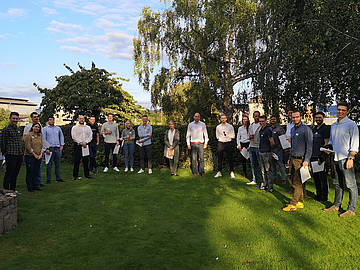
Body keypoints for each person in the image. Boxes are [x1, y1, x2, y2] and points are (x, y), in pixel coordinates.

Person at [323, 102, 359, 217]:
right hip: (335, 158)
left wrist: (351, 158)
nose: (340, 112)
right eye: (339, 109)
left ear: (347, 111)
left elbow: (355, 143)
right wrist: (328, 148)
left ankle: (351, 210)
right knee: (338, 184)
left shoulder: (351, 124)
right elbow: (332, 142)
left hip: (346, 158)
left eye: (343, 110)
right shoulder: (334, 125)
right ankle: (336, 205)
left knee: (351, 185)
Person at [283, 110, 313, 212]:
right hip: (293, 158)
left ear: (301, 117)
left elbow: (309, 146)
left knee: (297, 182)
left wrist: (307, 160)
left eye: (297, 117)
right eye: (293, 117)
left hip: (301, 160)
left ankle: (293, 204)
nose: (295, 118)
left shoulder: (306, 129)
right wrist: (289, 158)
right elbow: (293, 146)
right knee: (293, 180)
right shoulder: (292, 130)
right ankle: (300, 202)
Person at [0, 112, 23, 191]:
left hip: (19, 154)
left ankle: (13, 190)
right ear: (10, 118)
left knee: (15, 173)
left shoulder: (18, 128)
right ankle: (6, 191)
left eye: (17, 119)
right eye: (13, 118)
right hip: (11, 154)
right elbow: (2, 142)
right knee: (9, 173)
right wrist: (5, 153)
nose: (15, 120)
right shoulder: (6, 129)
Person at [310, 112, 330, 202]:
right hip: (313, 156)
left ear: (323, 118)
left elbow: (327, 144)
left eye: (320, 117)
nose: (318, 119)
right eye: (316, 117)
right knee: (316, 178)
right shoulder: (314, 129)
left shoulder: (325, 129)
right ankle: (318, 195)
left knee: (323, 178)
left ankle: (324, 197)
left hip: (320, 157)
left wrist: (322, 157)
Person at [23, 111, 45, 187]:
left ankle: (36, 184)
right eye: (35, 127)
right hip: (30, 155)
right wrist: (34, 154)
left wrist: (40, 154)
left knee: (36, 170)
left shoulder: (40, 135)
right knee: (30, 171)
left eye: (38, 127)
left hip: (39, 155)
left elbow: (42, 144)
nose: (37, 128)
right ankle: (30, 185)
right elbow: (27, 143)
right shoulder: (28, 130)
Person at [42, 116, 65, 183]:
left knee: (57, 164)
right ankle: (48, 179)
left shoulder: (58, 128)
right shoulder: (45, 129)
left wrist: (62, 145)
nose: (51, 121)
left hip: (57, 148)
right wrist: (46, 148)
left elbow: (61, 137)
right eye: (49, 120)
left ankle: (58, 178)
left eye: (52, 120)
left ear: (54, 121)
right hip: (50, 148)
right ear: (48, 121)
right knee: (49, 164)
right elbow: (44, 139)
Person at [186, 112, 209, 177]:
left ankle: (202, 172)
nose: (197, 117)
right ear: (194, 117)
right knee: (194, 159)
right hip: (193, 144)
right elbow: (188, 135)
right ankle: (195, 172)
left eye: (198, 116)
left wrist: (206, 143)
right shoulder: (190, 125)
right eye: (195, 116)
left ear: (199, 117)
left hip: (201, 144)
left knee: (201, 159)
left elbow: (206, 135)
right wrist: (188, 144)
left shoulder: (203, 124)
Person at [71, 115, 93, 180]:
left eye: (83, 119)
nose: (81, 120)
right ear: (78, 119)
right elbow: (74, 137)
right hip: (78, 146)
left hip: (86, 146)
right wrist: (81, 142)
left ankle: (87, 175)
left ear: (84, 119)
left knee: (86, 160)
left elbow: (90, 136)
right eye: (80, 119)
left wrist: (86, 142)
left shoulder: (88, 127)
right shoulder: (74, 127)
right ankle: (75, 175)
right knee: (77, 161)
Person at [215, 114, 235, 178]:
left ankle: (231, 172)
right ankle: (219, 172)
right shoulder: (218, 127)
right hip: (221, 143)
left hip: (228, 143)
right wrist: (221, 139)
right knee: (220, 158)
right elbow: (217, 136)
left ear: (226, 119)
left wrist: (227, 139)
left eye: (224, 118)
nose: (223, 119)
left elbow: (233, 136)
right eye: (222, 118)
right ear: (220, 119)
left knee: (230, 158)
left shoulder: (230, 126)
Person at [258, 115, 275, 192]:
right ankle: (264, 185)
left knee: (268, 171)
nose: (261, 123)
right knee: (262, 170)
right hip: (261, 152)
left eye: (262, 121)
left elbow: (272, 142)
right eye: (260, 121)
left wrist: (270, 151)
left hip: (267, 153)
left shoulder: (268, 130)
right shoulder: (260, 130)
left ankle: (270, 187)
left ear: (265, 121)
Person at [270, 115, 287, 185]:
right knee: (273, 165)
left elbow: (283, 139)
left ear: (276, 120)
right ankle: (274, 177)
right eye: (272, 119)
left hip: (278, 149)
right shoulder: (269, 129)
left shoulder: (280, 129)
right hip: (271, 150)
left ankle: (283, 179)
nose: (273, 120)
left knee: (280, 164)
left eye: (274, 119)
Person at [247, 111, 262, 185]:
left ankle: (263, 181)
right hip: (252, 147)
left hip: (259, 147)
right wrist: (249, 144)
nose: (256, 117)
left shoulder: (261, 125)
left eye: (258, 116)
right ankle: (254, 179)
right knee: (253, 164)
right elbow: (249, 136)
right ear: (253, 117)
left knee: (261, 165)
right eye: (255, 116)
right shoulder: (251, 125)